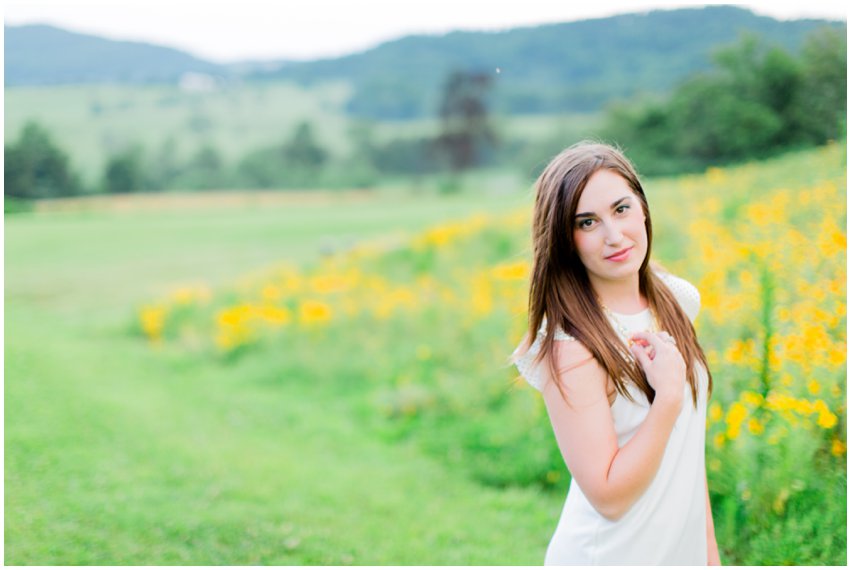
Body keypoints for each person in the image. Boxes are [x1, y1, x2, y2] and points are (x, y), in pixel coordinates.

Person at [512, 141, 721, 565]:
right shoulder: (571, 346)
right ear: (565, 240)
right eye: (587, 222)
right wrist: (667, 401)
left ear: (643, 208)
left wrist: (709, 557)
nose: (614, 236)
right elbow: (608, 497)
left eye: (621, 209)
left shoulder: (675, 301)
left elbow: (687, 460)